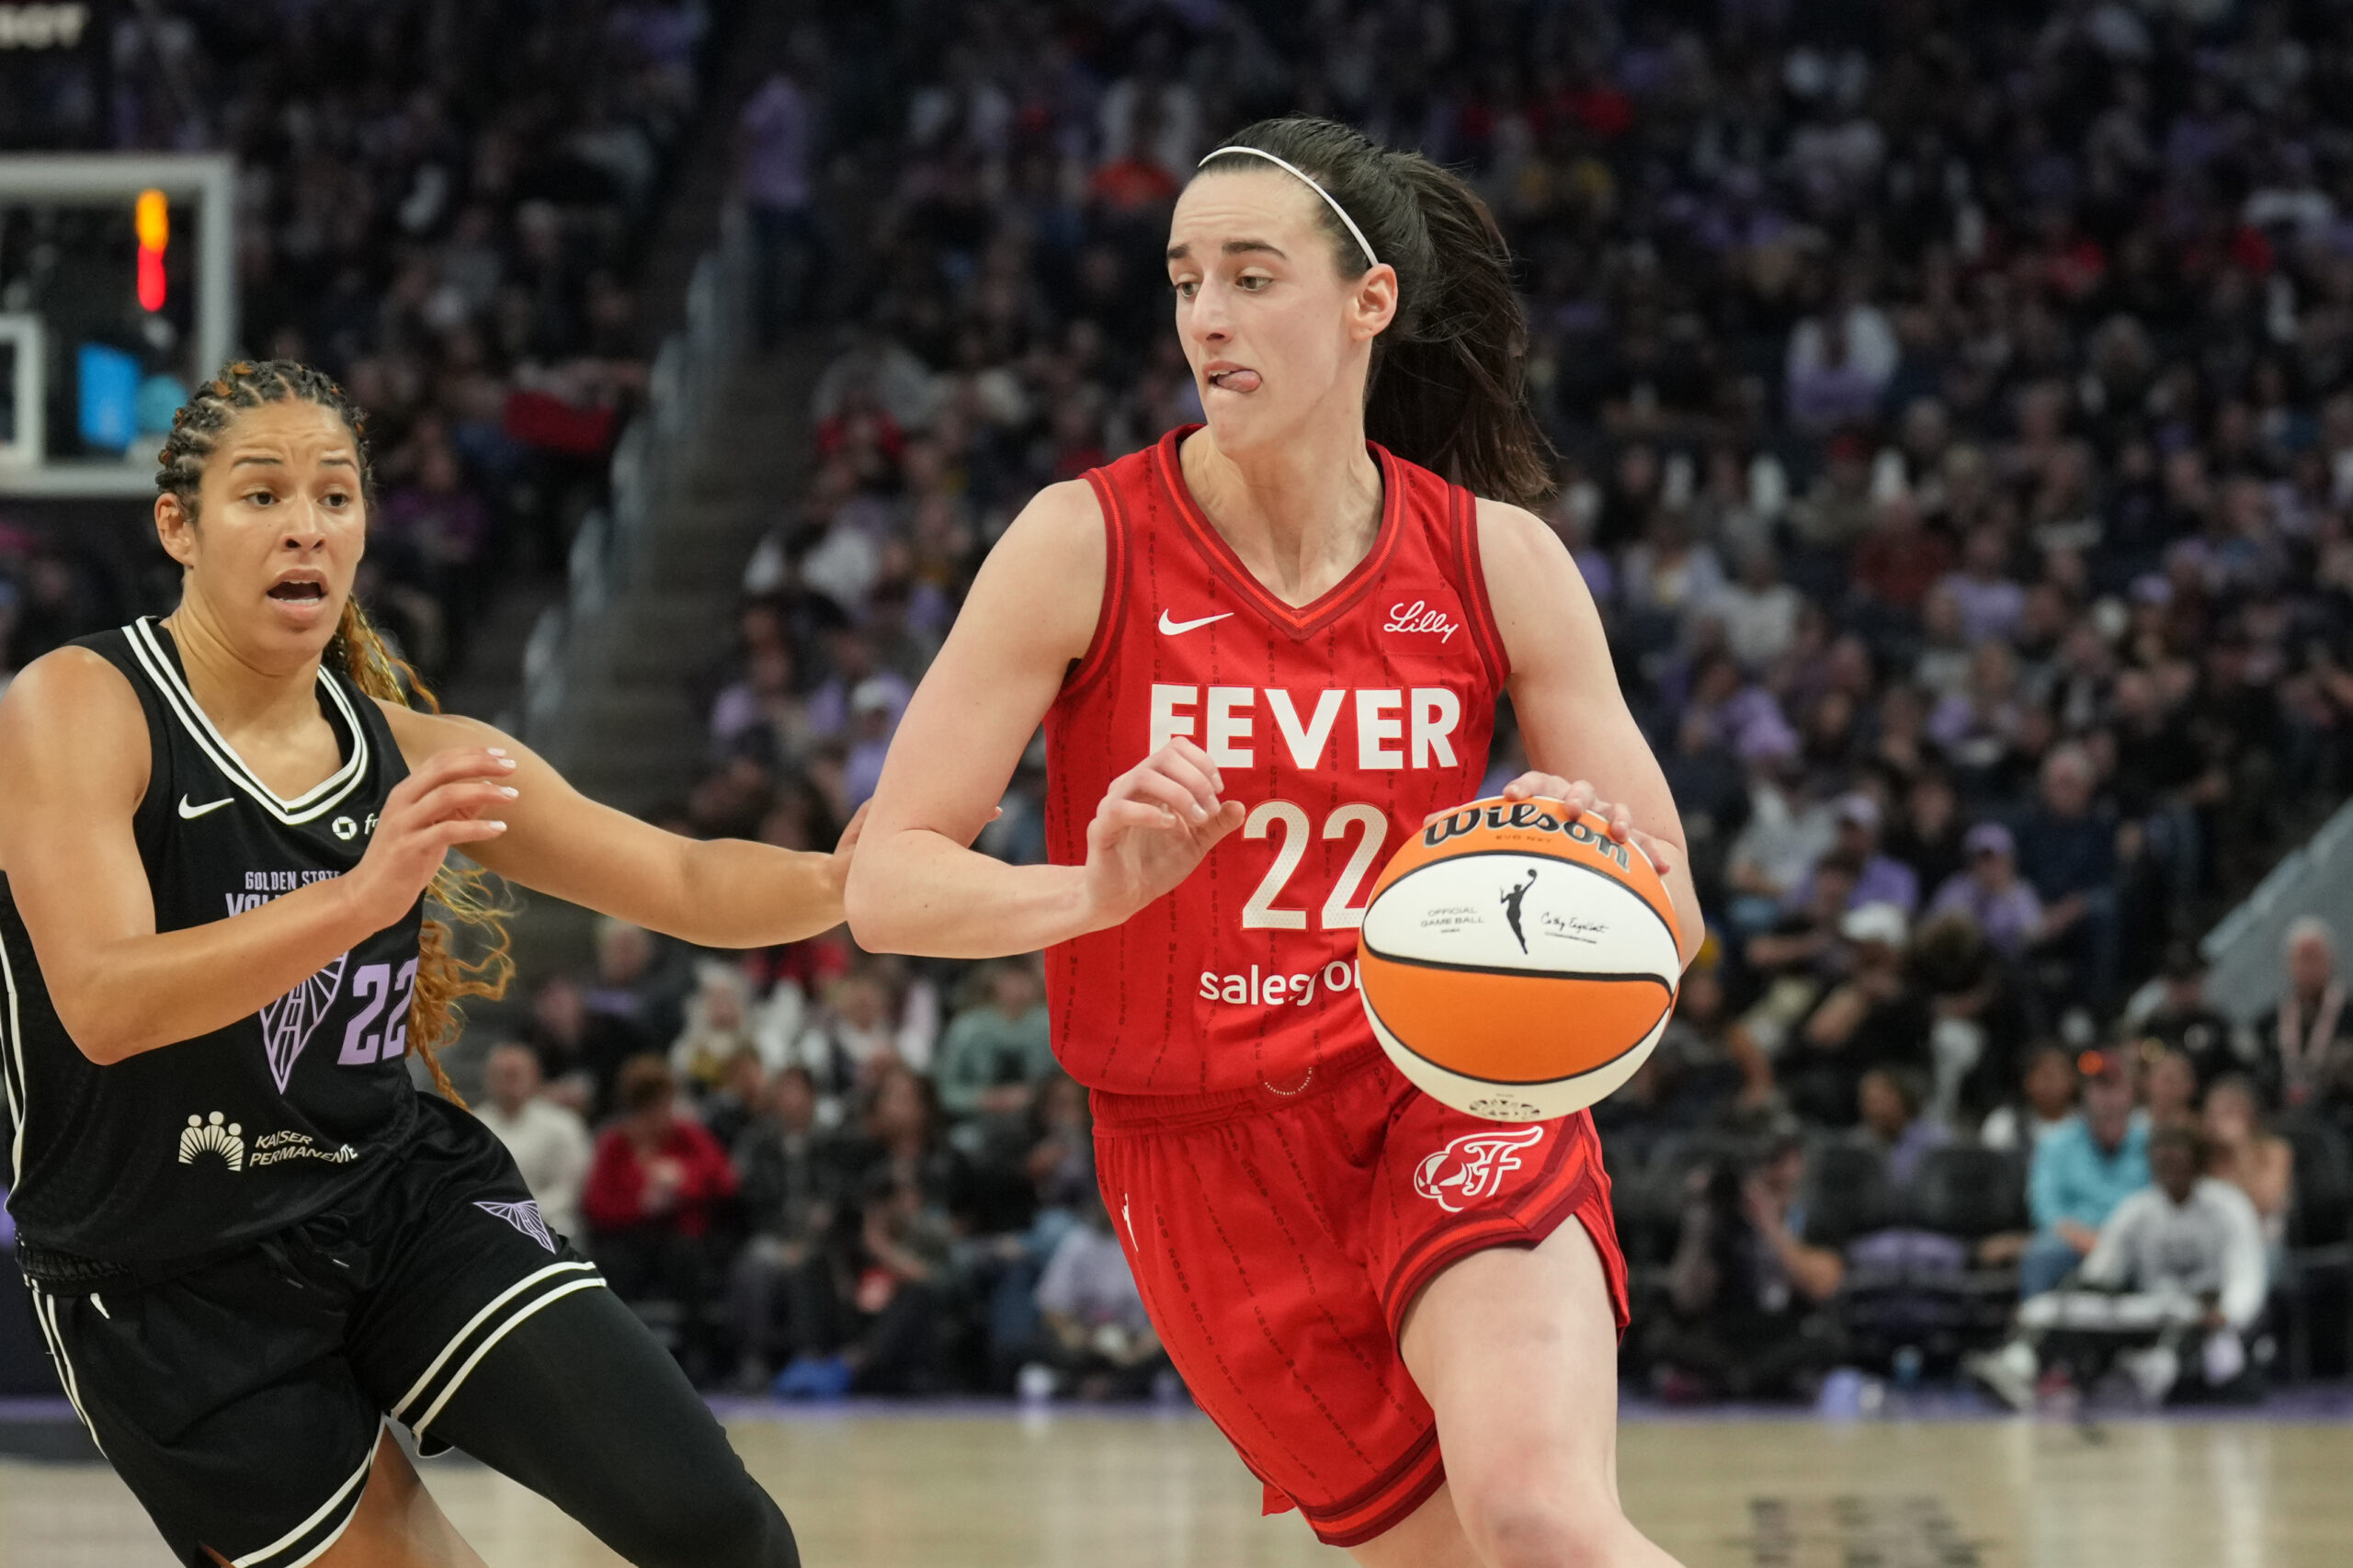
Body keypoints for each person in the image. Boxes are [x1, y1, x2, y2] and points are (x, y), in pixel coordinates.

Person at [847, 119, 1699, 1563]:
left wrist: (1579, 864)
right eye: (1187, 281)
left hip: (1454, 1083)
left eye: (1252, 276)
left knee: (1545, 1520)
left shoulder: (1497, 561)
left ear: (1370, 302)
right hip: (1204, 1160)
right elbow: (884, 884)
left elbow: (1672, 911)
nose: (1208, 319)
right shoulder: (1082, 541)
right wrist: (1093, 889)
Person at [0, 362, 862, 1568]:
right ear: (178, 525)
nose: (307, 523)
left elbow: (678, 879)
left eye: (336, 495)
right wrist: (357, 898)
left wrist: (853, 881)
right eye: (261, 494)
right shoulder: (76, 706)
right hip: (164, 1282)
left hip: (393, 1200)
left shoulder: (419, 751)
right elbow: (103, 1001)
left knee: (719, 1527)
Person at [1972, 1126, 2266, 1409]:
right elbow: (2101, 1272)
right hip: (2151, 1312)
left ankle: (2152, 1374)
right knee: (2071, 1294)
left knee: (2201, 1337)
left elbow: (2248, 1275)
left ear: (2197, 1162)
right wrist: (2059, 1305)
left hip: (2205, 1312)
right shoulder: (2137, 1210)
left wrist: (2230, 1314)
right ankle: (2017, 1363)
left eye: (2178, 1160)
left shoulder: (2229, 1207)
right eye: (2162, 1161)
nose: (2170, 1169)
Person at [2020, 1052, 2152, 1298]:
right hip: (2073, 1242)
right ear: (2085, 1094)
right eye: (2099, 1088)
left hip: (2135, 1244)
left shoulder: (2151, 1143)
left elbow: (2160, 1204)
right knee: (2041, 1254)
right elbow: (2046, 1209)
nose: (2108, 1099)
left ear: (2132, 1094)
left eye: (2115, 1087)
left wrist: (2115, 1244)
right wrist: (2089, 1241)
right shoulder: (2056, 1143)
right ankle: (2032, 1331)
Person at [476, 1040, 594, 1240]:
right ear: (488, 1080)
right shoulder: (474, 1127)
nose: (508, 1083)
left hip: (549, 1224)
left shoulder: (564, 1126)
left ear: (534, 1076)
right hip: (489, 1223)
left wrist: (523, 1214)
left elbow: (571, 1187)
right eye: (500, 1075)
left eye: (515, 1075)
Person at [2248, 916, 2353, 1115]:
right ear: (2288, 964)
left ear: (2331, 960)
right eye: (2302, 959)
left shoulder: (2348, 1012)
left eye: (2315, 957)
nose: (2309, 968)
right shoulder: (2268, 1023)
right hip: (2287, 1118)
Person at [933, 957, 1057, 1119]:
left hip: (1039, 1117)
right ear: (994, 981)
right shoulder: (968, 1028)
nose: (1016, 986)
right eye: (1009, 978)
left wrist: (1037, 1096)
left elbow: (1067, 1083)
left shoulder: (1049, 1025)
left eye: (1022, 977)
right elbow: (945, 1090)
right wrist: (986, 1099)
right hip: (976, 1119)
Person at [1980, 1042, 2078, 1154]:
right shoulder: (2004, 1124)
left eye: (2058, 1075)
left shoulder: (2088, 1126)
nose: (2050, 1084)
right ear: (2026, 1080)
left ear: (2073, 1079)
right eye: (2045, 1075)